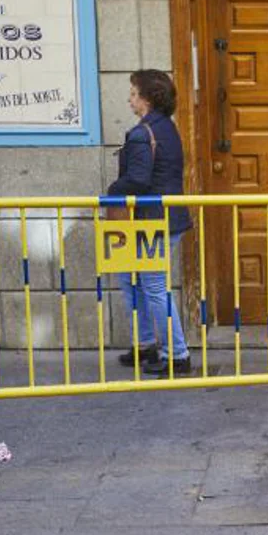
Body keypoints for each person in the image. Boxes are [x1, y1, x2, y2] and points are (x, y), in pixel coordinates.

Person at [107, 69, 193, 376]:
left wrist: (111, 192)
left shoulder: (144, 133)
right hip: (161, 219)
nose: (129, 99)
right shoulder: (166, 128)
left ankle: (178, 355)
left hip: (151, 221)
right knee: (132, 282)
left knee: (153, 287)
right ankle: (145, 344)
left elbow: (139, 180)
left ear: (146, 99)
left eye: (133, 93)